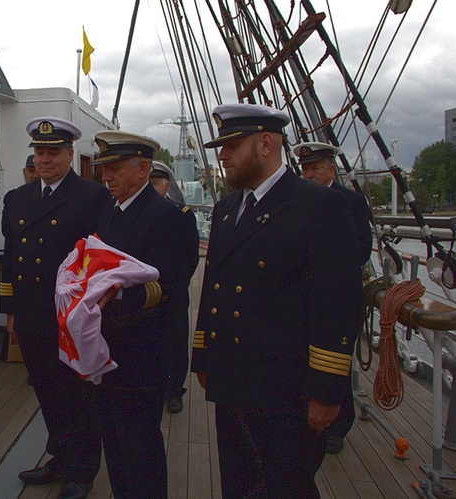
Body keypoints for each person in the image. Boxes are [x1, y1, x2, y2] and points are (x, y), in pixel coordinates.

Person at [190, 103, 362, 498]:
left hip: (288, 392)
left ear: (266, 143)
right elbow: (214, 286)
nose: (222, 155)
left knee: (286, 487)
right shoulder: (226, 209)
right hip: (232, 381)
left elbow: (336, 305)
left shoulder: (319, 206)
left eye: (232, 145)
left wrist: (327, 391)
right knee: (239, 483)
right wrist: (203, 357)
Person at [0, 117, 110, 499]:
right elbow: (11, 257)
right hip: (30, 315)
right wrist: (9, 307)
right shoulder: (18, 198)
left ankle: (82, 470)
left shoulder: (93, 198)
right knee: (47, 392)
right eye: (39, 152)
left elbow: (99, 261)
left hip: (69, 318)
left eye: (53, 152)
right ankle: (60, 457)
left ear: (69, 154)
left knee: (77, 397)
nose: (44, 159)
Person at [93, 130, 189, 498]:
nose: (107, 177)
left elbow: (169, 285)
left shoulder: (167, 217)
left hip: (142, 352)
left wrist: (114, 298)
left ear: (143, 168)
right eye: (105, 170)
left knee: (141, 446)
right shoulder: (109, 210)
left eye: (115, 168)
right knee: (114, 444)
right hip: (105, 348)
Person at [295, 141, 373, 454]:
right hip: (301, 296)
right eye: (305, 169)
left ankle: (337, 427)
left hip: (335, 295)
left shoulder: (351, 201)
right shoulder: (297, 200)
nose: (309, 174)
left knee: (335, 364)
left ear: (330, 169)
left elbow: (362, 248)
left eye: (315, 168)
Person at [148, 161, 200, 414]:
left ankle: (175, 390)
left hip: (174, 291)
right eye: (148, 182)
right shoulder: (136, 214)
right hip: (145, 293)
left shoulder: (182, 214)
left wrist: (177, 285)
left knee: (176, 340)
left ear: (167, 186)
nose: (151, 187)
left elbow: (191, 256)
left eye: (156, 183)